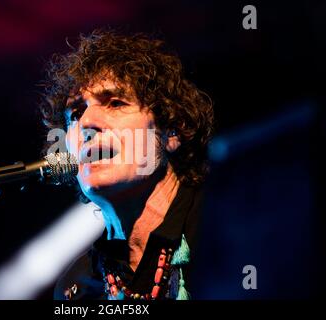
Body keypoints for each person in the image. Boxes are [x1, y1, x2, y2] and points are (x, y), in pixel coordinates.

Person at [40, 29, 214, 300]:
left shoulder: (226, 221)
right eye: (75, 113)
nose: (86, 122)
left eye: (115, 103)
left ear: (172, 132)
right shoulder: (75, 286)